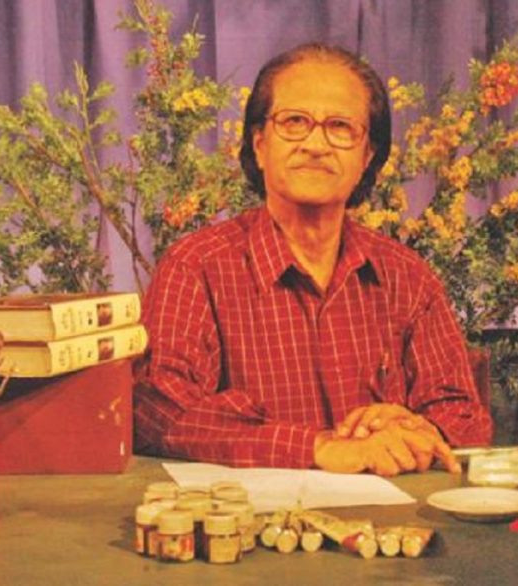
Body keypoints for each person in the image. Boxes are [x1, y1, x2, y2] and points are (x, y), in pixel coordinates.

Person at [134, 43, 493, 476]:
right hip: (253, 516)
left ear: (367, 157)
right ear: (259, 144)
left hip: (392, 514)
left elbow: (465, 418)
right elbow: (162, 411)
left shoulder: (407, 277)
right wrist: (318, 447)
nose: (316, 144)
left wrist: (415, 428)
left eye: (340, 127)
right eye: (294, 122)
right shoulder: (196, 267)